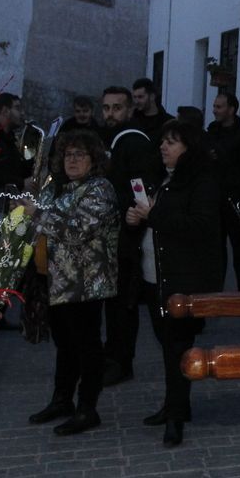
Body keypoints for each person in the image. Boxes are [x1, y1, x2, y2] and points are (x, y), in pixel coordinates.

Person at [127, 120, 222, 447]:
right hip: (155, 277)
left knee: (178, 348)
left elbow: (200, 227)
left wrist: (153, 217)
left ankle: (176, 416)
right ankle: (174, 405)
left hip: (183, 280)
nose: (163, 147)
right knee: (167, 347)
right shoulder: (163, 178)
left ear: (189, 148)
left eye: (172, 142)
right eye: (163, 141)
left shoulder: (202, 182)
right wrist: (135, 219)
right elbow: (153, 218)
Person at [28, 129, 119, 436]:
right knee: (65, 345)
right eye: (68, 154)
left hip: (86, 284)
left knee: (87, 347)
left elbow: (77, 230)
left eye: (80, 154)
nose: (73, 160)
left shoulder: (100, 189)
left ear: (94, 159)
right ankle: (61, 400)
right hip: (56, 282)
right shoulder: (58, 188)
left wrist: (37, 215)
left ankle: (87, 408)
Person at [98, 86, 161, 386]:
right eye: (106, 108)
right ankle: (112, 355)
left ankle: (121, 362)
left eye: (117, 107)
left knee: (123, 303)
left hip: (126, 235)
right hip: (109, 233)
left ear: (129, 110)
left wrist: (132, 216)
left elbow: (140, 189)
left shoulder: (133, 141)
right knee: (112, 302)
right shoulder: (108, 138)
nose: (111, 113)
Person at [207, 90, 240, 291]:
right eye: (214, 106)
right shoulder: (212, 131)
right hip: (214, 200)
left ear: (231, 110)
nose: (214, 110)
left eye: (219, 107)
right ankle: (215, 291)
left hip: (235, 201)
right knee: (216, 250)